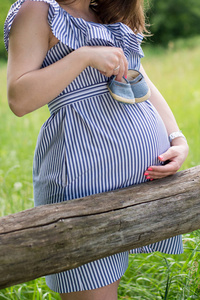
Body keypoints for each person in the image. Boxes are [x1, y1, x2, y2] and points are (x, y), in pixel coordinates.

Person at [4, 0, 189, 299]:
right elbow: (18, 99)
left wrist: (176, 138)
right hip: (83, 181)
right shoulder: (38, 9)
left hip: (142, 181)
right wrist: (84, 57)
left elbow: (140, 78)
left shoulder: (103, 11)